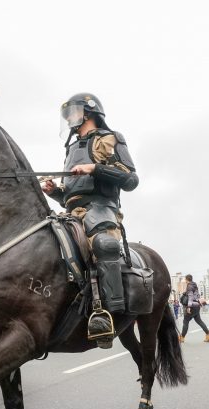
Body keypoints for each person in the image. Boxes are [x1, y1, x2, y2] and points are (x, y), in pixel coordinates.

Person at [42, 93, 139, 348]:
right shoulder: (72, 149)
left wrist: (95, 168)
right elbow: (70, 198)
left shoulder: (110, 138)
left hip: (101, 209)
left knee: (104, 246)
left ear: (89, 112)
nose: (69, 119)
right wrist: (55, 192)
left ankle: (108, 313)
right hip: (72, 213)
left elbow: (131, 180)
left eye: (73, 113)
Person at [179, 275, 209, 343]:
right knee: (199, 321)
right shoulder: (195, 286)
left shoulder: (189, 286)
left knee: (185, 322)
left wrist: (188, 307)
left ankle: (182, 337)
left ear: (186, 279)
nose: (185, 281)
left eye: (185, 279)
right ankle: (208, 334)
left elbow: (190, 297)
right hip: (196, 306)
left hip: (191, 307)